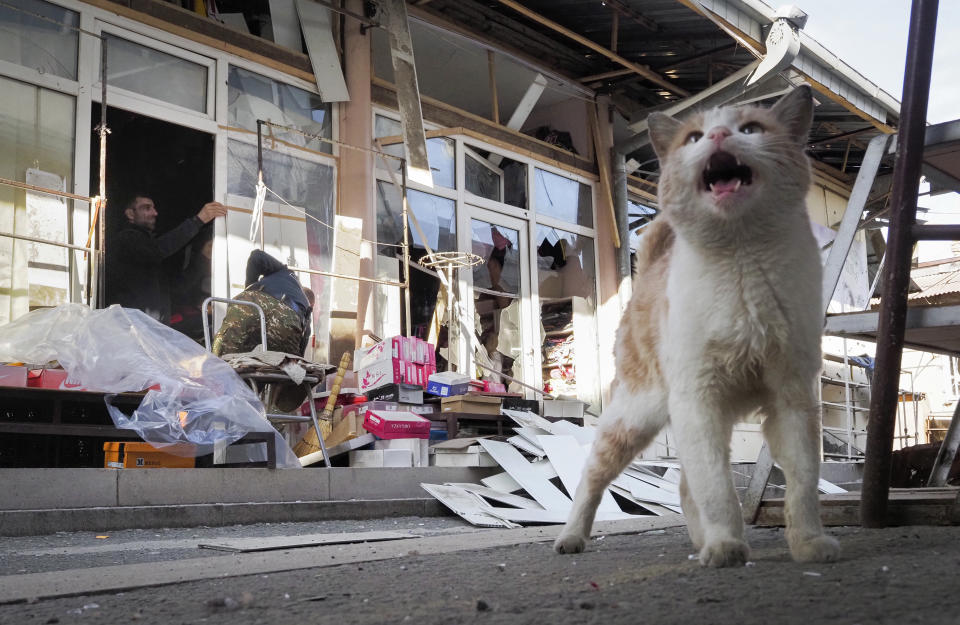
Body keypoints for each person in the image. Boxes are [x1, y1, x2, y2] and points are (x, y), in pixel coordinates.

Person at [106, 194, 227, 324]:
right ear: (130, 214)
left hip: (151, 330)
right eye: (147, 208)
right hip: (131, 328)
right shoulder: (126, 239)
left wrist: (203, 257)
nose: (155, 213)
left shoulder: (148, 257)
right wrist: (198, 220)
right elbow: (158, 249)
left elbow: (176, 288)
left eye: (154, 208)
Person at [212, 249, 314, 357]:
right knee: (281, 367)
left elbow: (256, 256)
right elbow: (300, 349)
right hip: (287, 319)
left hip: (252, 302)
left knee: (222, 359)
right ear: (311, 303)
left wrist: (249, 290)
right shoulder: (306, 308)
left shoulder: (285, 273)